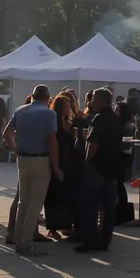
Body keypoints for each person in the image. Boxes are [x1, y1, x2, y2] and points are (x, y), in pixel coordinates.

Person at [2, 85, 61, 255]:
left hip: (23, 158)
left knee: (23, 201)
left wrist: (16, 149)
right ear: (47, 98)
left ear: (33, 96)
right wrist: (56, 166)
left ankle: (19, 238)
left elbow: (7, 134)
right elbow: (52, 140)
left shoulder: (20, 110)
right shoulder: (50, 114)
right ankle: (26, 242)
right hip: (41, 159)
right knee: (35, 203)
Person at [77, 87, 123, 253]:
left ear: (102, 100)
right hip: (111, 166)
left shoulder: (99, 119)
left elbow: (93, 143)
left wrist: (87, 161)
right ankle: (104, 240)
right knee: (108, 206)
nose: (91, 102)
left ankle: (89, 240)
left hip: (97, 166)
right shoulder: (116, 119)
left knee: (90, 205)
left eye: (94, 99)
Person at [44, 93, 82, 241]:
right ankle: (52, 227)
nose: (70, 108)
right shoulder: (55, 121)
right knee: (53, 194)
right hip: (58, 160)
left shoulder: (67, 121)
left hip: (68, 162)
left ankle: (65, 224)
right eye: (67, 106)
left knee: (65, 194)